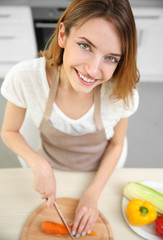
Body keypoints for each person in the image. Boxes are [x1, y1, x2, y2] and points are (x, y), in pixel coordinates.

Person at [1, 0, 139, 237]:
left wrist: (92, 194)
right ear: (63, 35)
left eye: (111, 58)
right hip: (49, 170)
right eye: (85, 45)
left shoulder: (121, 93)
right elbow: (9, 132)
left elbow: (116, 144)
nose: (93, 71)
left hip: (98, 174)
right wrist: (39, 163)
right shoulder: (25, 78)